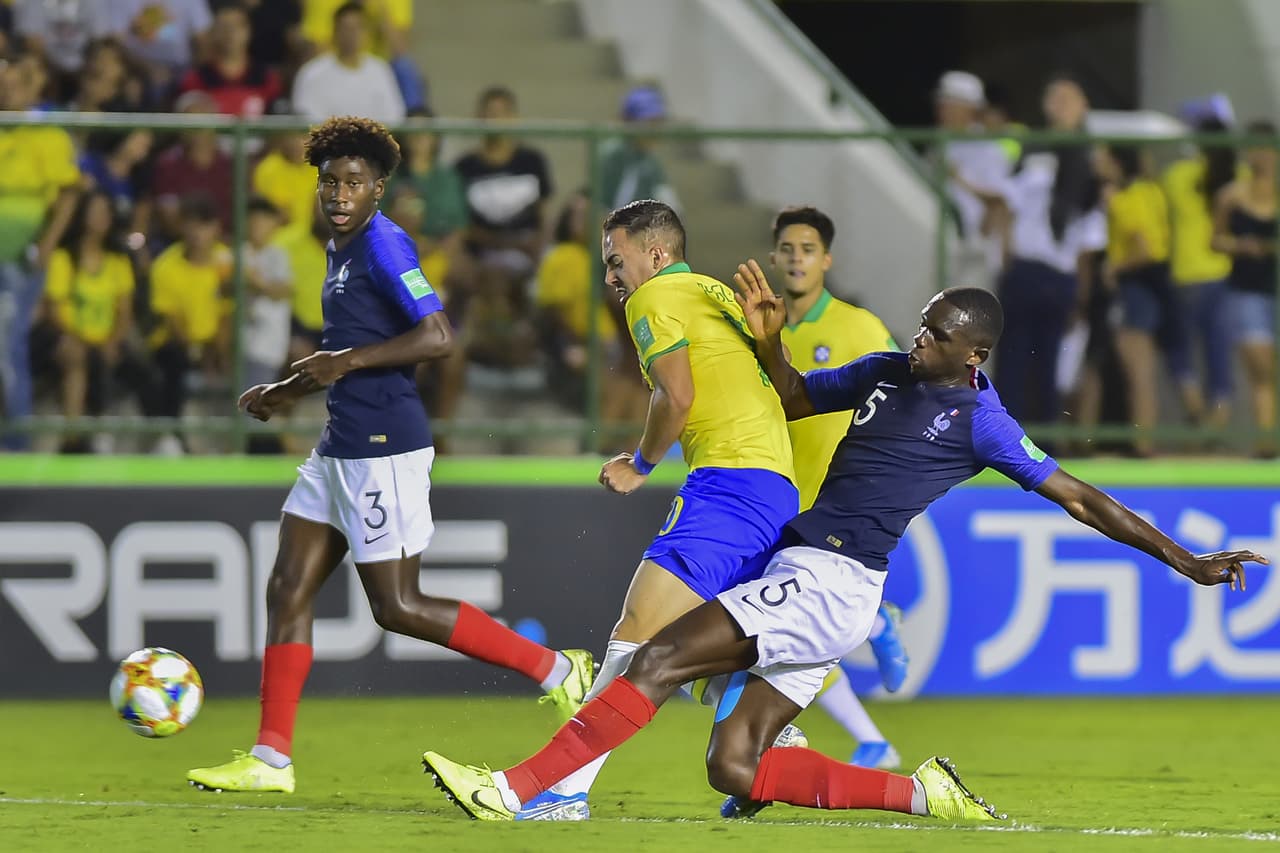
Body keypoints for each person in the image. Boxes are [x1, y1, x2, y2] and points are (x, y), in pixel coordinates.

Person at [422, 265, 1265, 823]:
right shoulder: (886, 371)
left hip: (830, 583)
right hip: (809, 577)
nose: (917, 337)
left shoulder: (985, 422)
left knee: (653, 660)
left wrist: (1185, 560)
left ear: (974, 353)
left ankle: (512, 789)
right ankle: (923, 793)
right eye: (921, 323)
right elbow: (789, 397)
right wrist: (768, 338)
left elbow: (1079, 497)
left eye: (935, 334)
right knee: (736, 767)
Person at [185, 116, 591, 795]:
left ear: (379, 188)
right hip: (338, 444)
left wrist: (344, 362)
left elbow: (438, 336)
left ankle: (556, 670)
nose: (339, 193)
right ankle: (271, 758)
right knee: (287, 587)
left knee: (396, 606)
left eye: (354, 182)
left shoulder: (384, 245)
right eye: (329, 182)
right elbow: (339, 354)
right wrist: (285, 390)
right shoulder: (340, 248)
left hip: (382, 446)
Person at [507, 199, 800, 820]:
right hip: (774, 485)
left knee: (636, 635)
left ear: (656, 253)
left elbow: (678, 395)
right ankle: (765, 735)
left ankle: (564, 789)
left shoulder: (655, 299)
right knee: (698, 645)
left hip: (731, 484)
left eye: (617, 261)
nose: (611, 277)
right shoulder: (712, 290)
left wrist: (639, 463)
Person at [765, 205, 906, 772]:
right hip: (775, 490)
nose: (796, 258)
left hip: (835, 498)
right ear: (774, 257)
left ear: (827, 260)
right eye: (787, 249)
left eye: (807, 249)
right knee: (796, 632)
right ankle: (871, 737)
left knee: (786, 626)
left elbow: (907, 386)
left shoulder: (858, 326)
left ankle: (767, 745)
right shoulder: (762, 327)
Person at [0, 52, 81, 448]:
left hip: (18, 257)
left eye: (11, 84)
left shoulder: (47, 133)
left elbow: (68, 194)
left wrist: (46, 245)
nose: (4, 90)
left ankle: (15, 444)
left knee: (7, 346)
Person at [1094, 144, 1184, 456]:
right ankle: (1144, 439)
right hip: (1157, 283)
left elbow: (1144, 248)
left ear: (1117, 163)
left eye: (1104, 158)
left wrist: (1113, 267)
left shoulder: (1125, 199)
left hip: (1136, 286)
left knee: (1137, 368)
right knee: (1146, 368)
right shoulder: (1152, 192)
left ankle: (1143, 443)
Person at [43, 189, 135, 453]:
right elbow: (55, 311)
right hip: (69, 336)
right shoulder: (64, 258)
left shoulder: (118, 260)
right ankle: (72, 440)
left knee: (138, 366)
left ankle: (162, 436)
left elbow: (125, 312)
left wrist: (113, 340)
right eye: (95, 212)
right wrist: (81, 338)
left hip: (106, 338)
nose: (100, 219)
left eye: (106, 213)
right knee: (77, 355)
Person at [141, 192, 233, 453]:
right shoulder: (165, 266)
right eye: (190, 225)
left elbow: (228, 310)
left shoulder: (226, 261)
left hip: (215, 341)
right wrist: (197, 352)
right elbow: (173, 322)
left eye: (203, 225)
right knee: (173, 360)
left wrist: (218, 351)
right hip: (177, 343)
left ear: (215, 228)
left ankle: (240, 438)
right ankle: (172, 434)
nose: (196, 233)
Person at [1162, 118, 1236, 436]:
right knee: (1219, 355)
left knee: (1179, 352)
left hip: (1184, 275)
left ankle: (1194, 410)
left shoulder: (1178, 175)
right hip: (1221, 273)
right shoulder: (1236, 176)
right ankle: (1216, 427)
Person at [1213, 120, 1279, 457]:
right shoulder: (1232, 196)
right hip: (1248, 290)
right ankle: (1267, 445)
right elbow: (1216, 239)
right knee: (1261, 369)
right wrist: (1242, 246)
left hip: (1274, 286)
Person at [290, 1, 405, 123]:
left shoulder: (381, 70)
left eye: (358, 28)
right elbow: (306, 122)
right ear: (334, 31)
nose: (352, 34)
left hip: (373, 140)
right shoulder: (312, 73)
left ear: (367, 33)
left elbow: (394, 119)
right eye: (346, 28)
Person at [176, 1, 282, 118]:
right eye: (224, 27)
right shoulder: (196, 79)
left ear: (249, 31)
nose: (230, 33)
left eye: (237, 26)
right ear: (214, 32)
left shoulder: (266, 78)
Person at [241, 196, 292, 390]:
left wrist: (255, 282)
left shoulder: (278, 255)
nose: (257, 227)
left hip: (267, 343)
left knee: (256, 400)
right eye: (253, 221)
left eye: (263, 221)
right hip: (240, 341)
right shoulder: (237, 253)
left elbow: (283, 290)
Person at [600, 86, 680, 211]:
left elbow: (665, 197)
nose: (656, 130)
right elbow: (601, 204)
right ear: (629, 121)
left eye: (658, 123)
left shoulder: (650, 161)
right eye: (650, 123)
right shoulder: (611, 153)